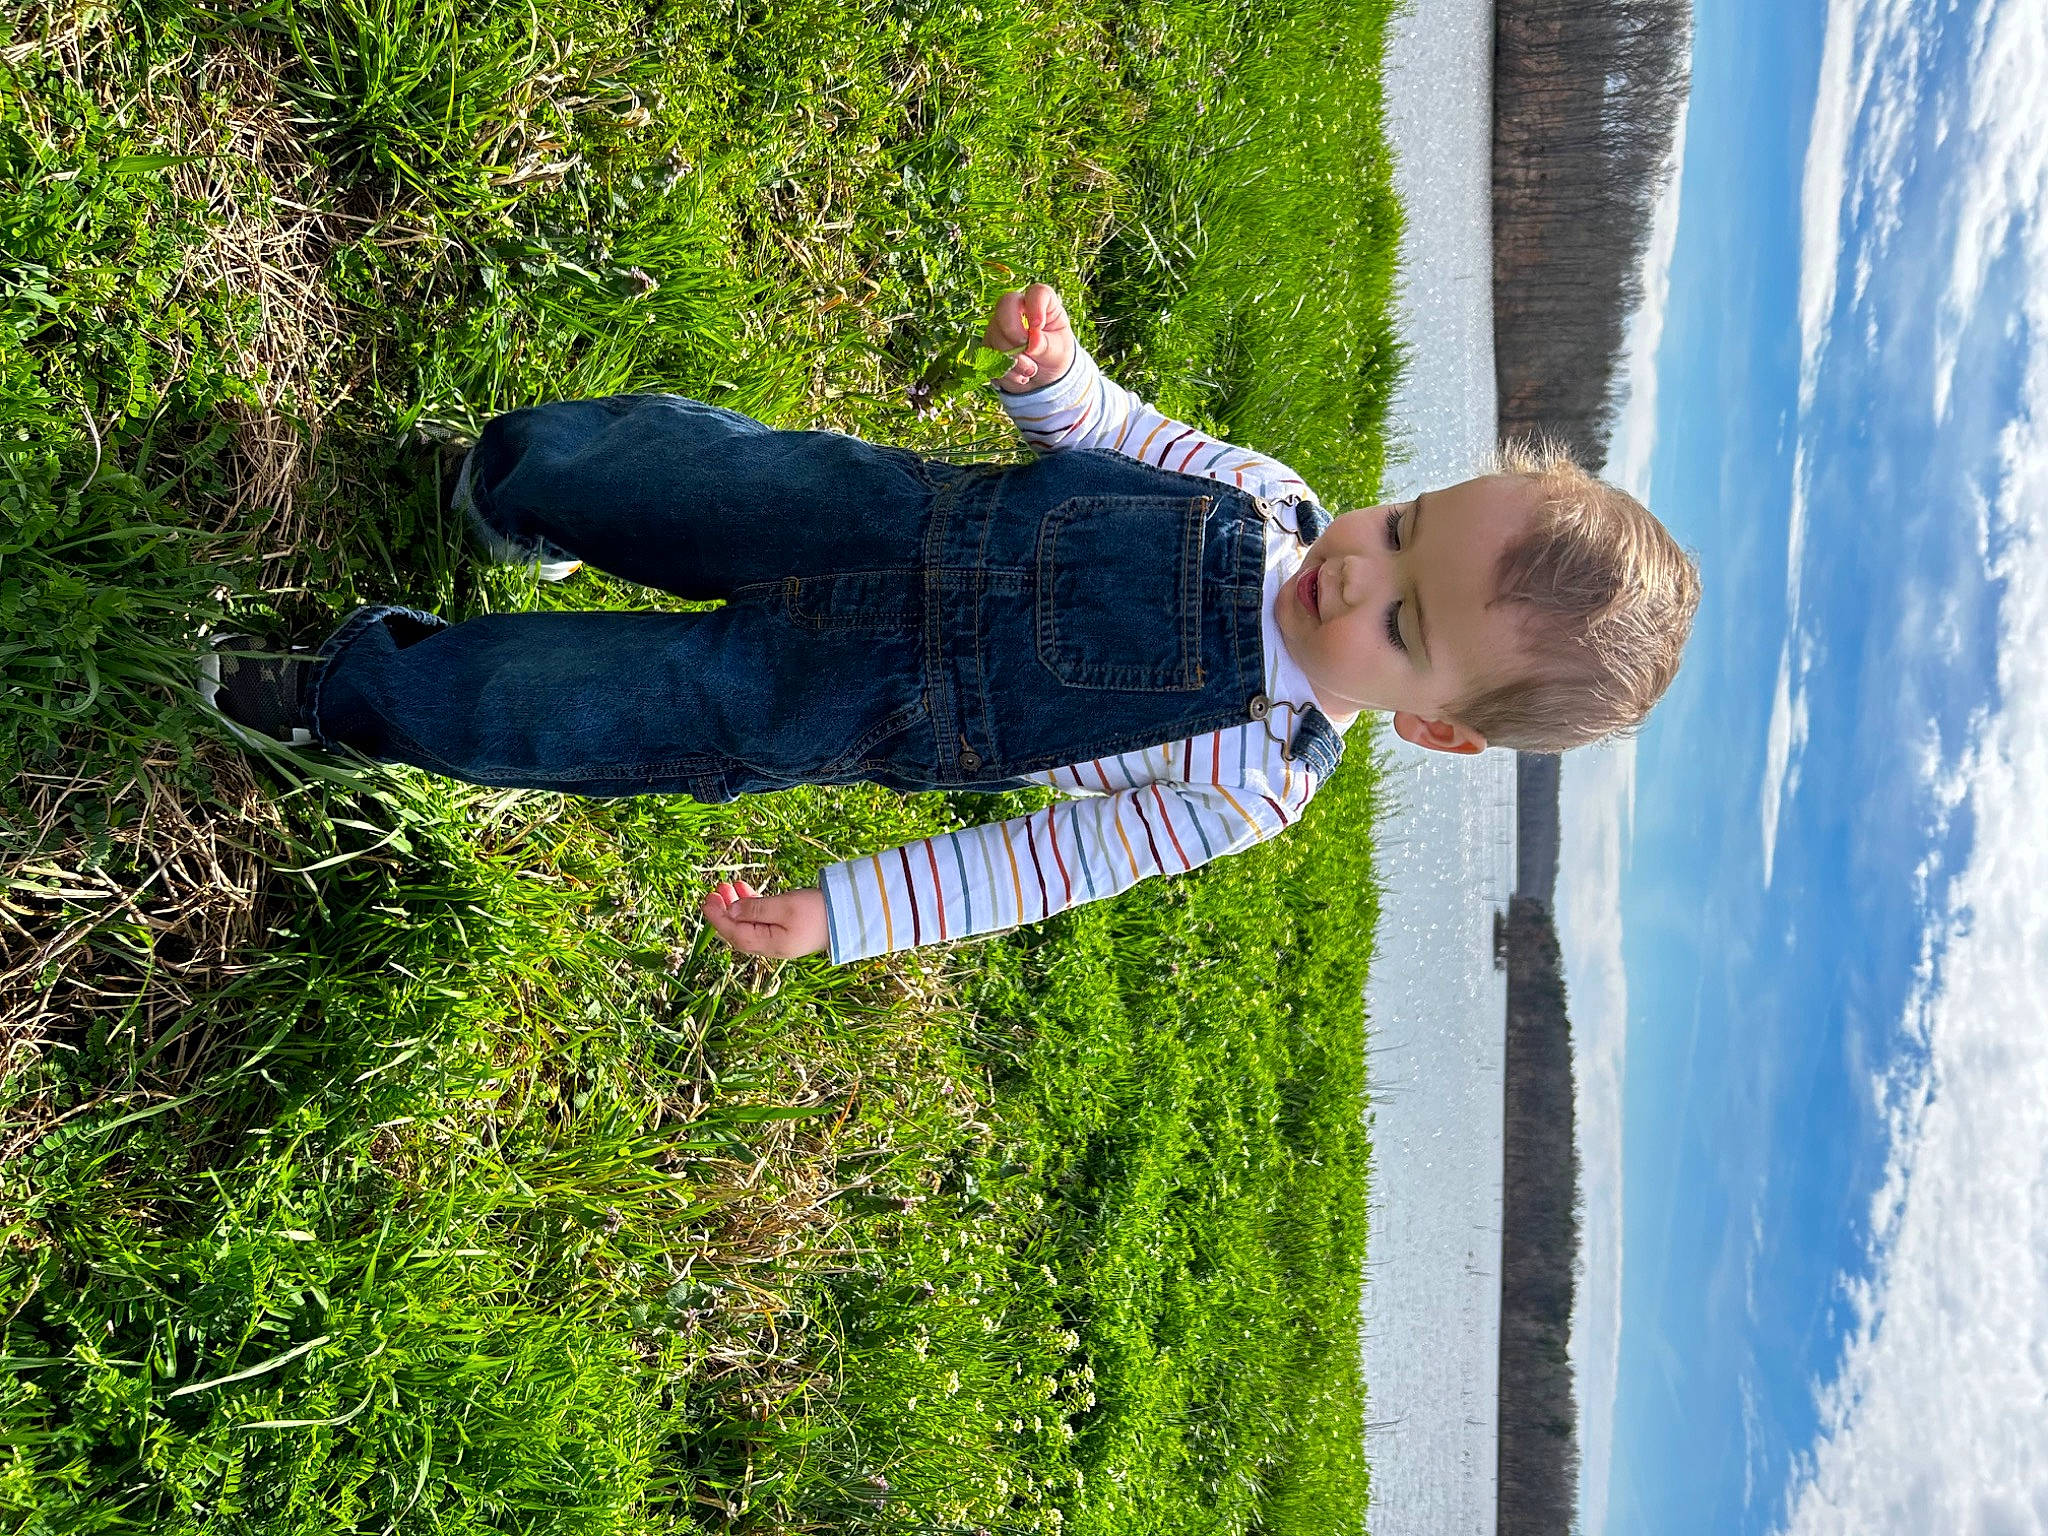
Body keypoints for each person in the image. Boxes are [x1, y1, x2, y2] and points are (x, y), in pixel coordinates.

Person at [202, 284, 1699, 963]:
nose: (1358, 573)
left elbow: (1032, 864)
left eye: (1406, 623)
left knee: (545, 713)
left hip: (811, 701)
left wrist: (848, 913)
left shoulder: (1252, 780)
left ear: (1433, 725)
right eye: (1406, 527)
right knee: (649, 468)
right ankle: (506, 495)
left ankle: (352, 691)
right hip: (859, 513)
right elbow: (1127, 438)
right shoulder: (1276, 502)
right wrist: (1061, 381)